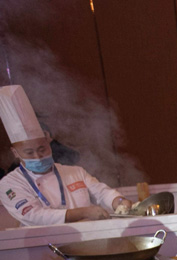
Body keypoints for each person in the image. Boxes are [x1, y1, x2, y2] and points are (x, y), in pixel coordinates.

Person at [0, 85, 131, 226]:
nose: (38, 156)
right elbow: (34, 215)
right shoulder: (9, 184)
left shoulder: (75, 172)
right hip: (41, 244)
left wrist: (119, 201)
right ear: (15, 153)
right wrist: (84, 212)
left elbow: (101, 193)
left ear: (49, 143)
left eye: (42, 149)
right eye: (29, 153)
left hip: (87, 240)